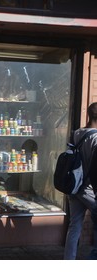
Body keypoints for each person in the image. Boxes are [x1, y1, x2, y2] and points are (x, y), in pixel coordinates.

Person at [64, 102, 97, 260]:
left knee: (74, 225)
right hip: (88, 188)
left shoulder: (77, 133)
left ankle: (69, 261)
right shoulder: (96, 138)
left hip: (73, 186)